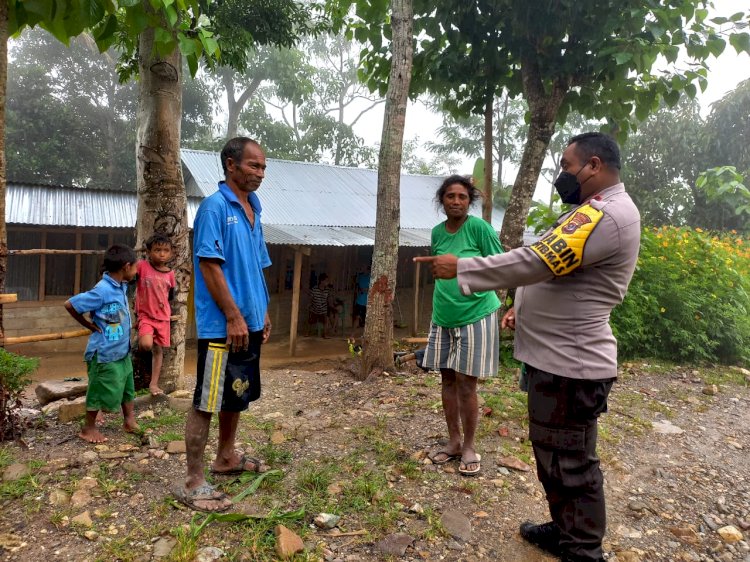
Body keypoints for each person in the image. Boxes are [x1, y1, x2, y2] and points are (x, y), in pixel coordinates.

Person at [416, 133, 640, 562]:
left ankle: (583, 551)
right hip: (558, 360)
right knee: (554, 455)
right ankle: (563, 529)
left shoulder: (606, 215)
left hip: (571, 365)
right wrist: (521, 306)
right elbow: (549, 266)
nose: (561, 174)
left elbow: (534, 261)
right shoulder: (592, 212)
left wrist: (463, 267)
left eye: (566, 165)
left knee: (571, 463)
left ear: (593, 165)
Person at [174, 137, 273, 513]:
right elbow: (209, 265)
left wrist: (260, 312)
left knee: (236, 392)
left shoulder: (254, 210)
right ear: (230, 165)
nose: (259, 173)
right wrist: (233, 315)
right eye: (253, 166)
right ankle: (193, 481)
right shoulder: (215, 207)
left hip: (247, 323)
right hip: (222, 327)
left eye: (262, 167)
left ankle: (226, 457)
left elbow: (257, 267)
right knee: (207, 399)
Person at [422, 175, 504, 477]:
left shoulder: (479, 228)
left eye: (462, 197)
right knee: (446, 381)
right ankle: (453, 442)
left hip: (476, 313)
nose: (456, 202)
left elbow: (502, 265)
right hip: (443, 316)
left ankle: (469, 445)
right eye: (450, 196)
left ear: (470, 202)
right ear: (442, 200)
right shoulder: (436, 232)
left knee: (467, 385)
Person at [64, 244, 139, 444]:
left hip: (121, 351)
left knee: (127, 387)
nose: (136, 271)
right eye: (135, 267)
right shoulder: (102, 290)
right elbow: (70, 304)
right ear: (126, 266)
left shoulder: (121, 286)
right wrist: (88, 325)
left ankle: (129, 420)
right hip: (104, 353)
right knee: (97, 390)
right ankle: (88, 428)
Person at [135, 233, 175, 396]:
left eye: (166, 250)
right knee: (145, 345)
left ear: (171, 253)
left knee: (158, 352)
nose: (162, 254)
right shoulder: (142, 266)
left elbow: (170, 295)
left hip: (163, 318)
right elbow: (130, 280)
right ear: (149, 251)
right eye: (157, 250)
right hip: (146, 316)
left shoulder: (170, 274)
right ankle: (135, 355)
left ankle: (153, 384)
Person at [308, 273, 330, 338]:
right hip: (314, 309)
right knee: (310, 321)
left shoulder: (327, 290)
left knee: (325, 320)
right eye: (326, 281)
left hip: (323, 310)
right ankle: (307, 332)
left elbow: (328, 299)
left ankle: (325, 334)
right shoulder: (314, 289)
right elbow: (310, 298)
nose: (327, 282)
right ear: (321, 281)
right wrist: (309, 305)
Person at [351, 264, 370, 331]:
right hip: (360, 300)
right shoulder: (360, 276)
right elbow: (354, 282)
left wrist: (367, 289)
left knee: (367, 320)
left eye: (363, 267)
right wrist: (357, 273)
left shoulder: (371, 277)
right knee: (357, 317)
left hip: (368, 301)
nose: (361, 268)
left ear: (367, 269)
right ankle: (352, 335)